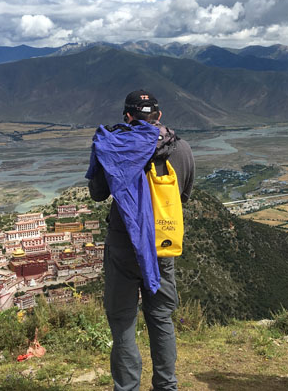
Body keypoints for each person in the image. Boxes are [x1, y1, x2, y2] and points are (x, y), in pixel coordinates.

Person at [86, 90, 194, 391]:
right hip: (162, 242)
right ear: (158, 116)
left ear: (127, 116)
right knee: (160, 318)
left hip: (123, 244)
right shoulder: (181, 149)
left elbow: (97, 194)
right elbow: (183, 195)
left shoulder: (114, 146)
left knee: (122, 322)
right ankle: (166, 386)